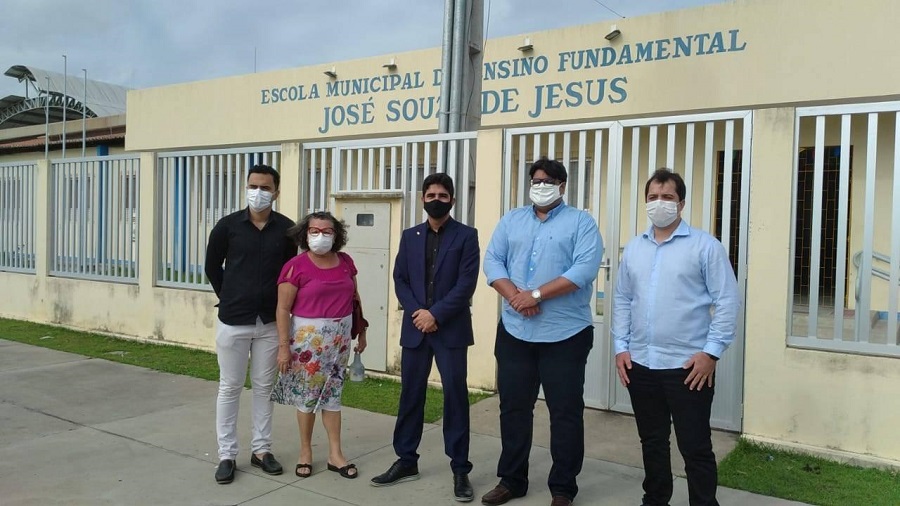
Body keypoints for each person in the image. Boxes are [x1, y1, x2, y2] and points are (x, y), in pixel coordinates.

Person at [612, 168, 740, 506]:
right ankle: (655, 499)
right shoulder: (634, 249)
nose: (660, 203)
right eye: (653, 197)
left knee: (695, 446)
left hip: (688, 367)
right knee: (652, 442)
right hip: (641, 364)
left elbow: (727, 301)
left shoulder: (705, 247)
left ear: (681, 203)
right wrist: (621, 347)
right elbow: (623, 298)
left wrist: (710, 353)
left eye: (667, 197)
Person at [482, 158, 603, 506]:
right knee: (513, 409)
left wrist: (535, 295)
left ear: (562, 186)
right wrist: (516, 298)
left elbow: (583, 270)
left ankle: (563, 488)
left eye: (548, 181)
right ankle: (512, 480)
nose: (540, 185)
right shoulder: (512, 220)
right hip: (515, 332)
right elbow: (493, 261)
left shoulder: (581, 222)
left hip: (565, 335)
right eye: (535, 180)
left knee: (565, 412)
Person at [370, 173, 480, 502]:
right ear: (422, 199)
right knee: (410, 396)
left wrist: (436, 314)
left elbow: (466, 284)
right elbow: (400, 279)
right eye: (431, 195)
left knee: (455, 398)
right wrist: (419, 312)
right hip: (416, 329)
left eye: (443, 196)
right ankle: (406, 460)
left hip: (451, 330)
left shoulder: (467, 236)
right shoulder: (410, 236)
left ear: (453, 200)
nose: (436, 200)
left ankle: (460, 468)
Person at [205, 164, 295, 484]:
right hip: (234, 320)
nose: (258, 192)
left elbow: (290, 275)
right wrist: (230, 295)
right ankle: (227, 455)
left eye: (265, 187)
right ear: (246, 188)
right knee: (230, 387)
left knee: (263, 388)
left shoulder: (287, 230)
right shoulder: (227, 226)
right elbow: (212, 266)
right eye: (253, 186)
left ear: (276, 192)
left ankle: (261, 450)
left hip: (270, 322)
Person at [269, 211, 367, 480]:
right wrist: (283, 347)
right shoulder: (295, 266)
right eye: (315, 231)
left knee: (333, 396)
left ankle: (336, 454)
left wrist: (362, 331)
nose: (320, 236)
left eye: (327, 231)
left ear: (336, 235)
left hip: (339, 341)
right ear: (305, 234)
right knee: (307, 397)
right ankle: (305, 452)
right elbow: (282, 308)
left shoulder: (345, 262)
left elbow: (355, 297)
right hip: (308, 343)